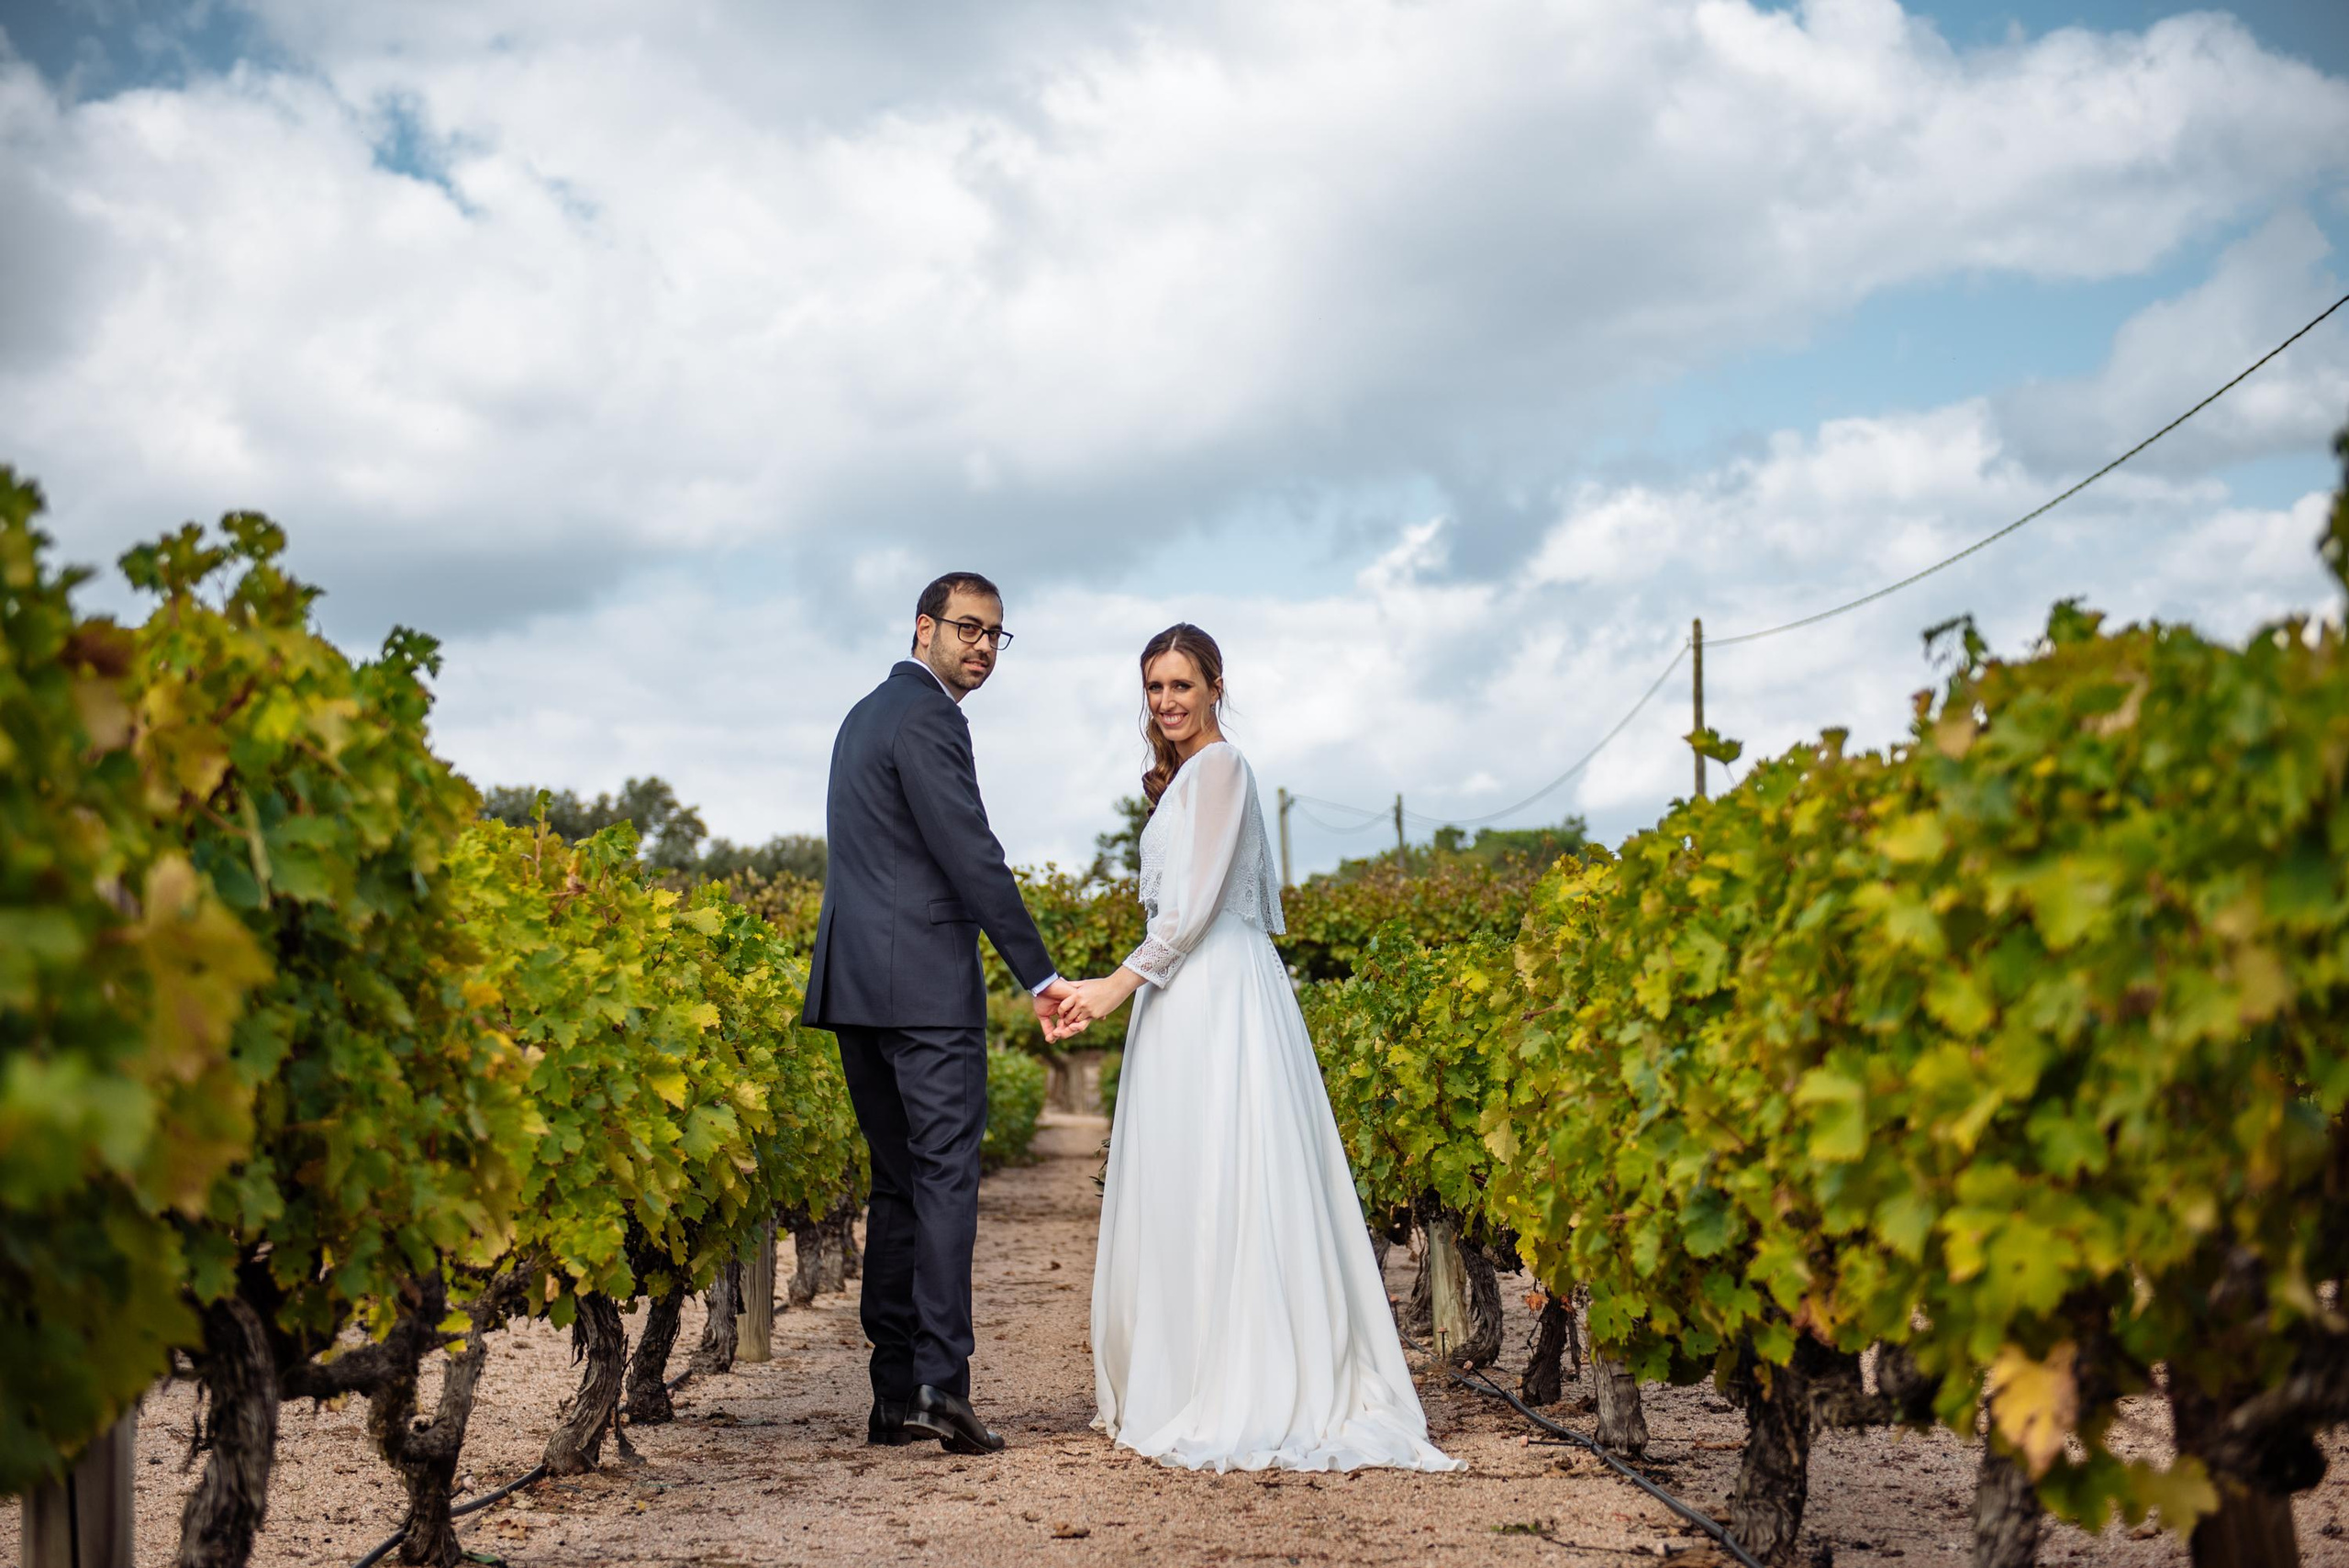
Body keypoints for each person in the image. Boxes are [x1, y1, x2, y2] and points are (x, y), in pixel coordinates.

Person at [1054, 624, 1462, 1473]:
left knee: (1231, 1169)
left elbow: (1194, 908)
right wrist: (1125, 987)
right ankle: (1184, 1372)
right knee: (1186, 1173)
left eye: (1182, 684)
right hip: (1178, 993)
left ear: (1216, 686)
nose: (1167, 701)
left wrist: (1110, 988)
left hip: (1218, 991)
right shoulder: (1182, 779)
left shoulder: (1222, 768)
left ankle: (1242, 1378)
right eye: (1155, 687)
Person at [803, 571, 1085, 1457]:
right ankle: (940, 1384)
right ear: (923, 626)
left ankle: (893, 1394)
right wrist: (1039, 973)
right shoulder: (930, 716)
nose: (983, 647)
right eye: (968, 627)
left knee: (898, 1185)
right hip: (923, 989)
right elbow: (971, 852)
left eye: (996, 634)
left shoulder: (861, 716)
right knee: (944, 1181)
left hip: (854, 988)